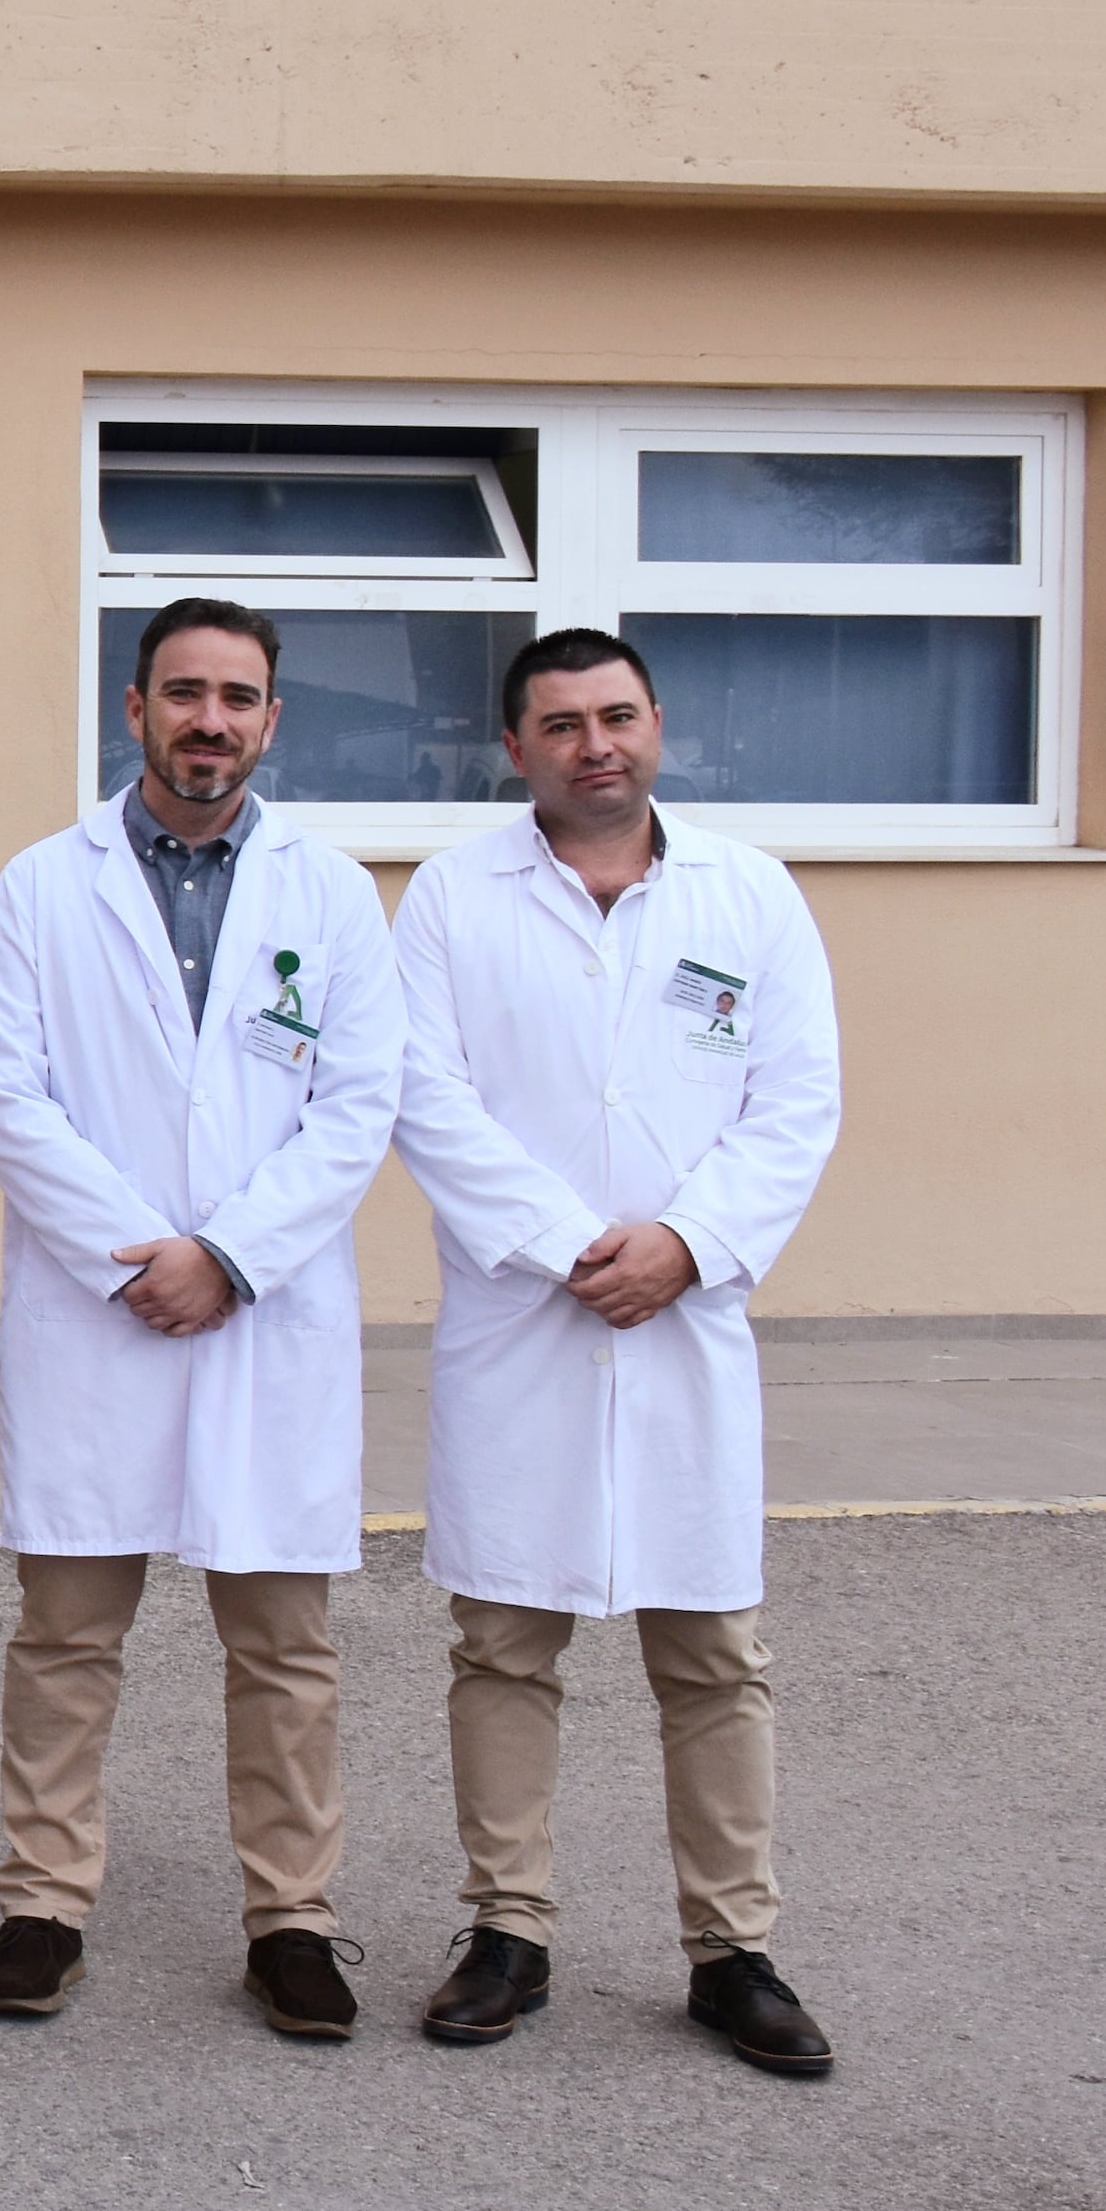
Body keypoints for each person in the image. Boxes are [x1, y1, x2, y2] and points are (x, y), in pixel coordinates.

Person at [392, 629, 847, 2076]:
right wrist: (567, 1243)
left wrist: (689, 1244)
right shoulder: (453, 899)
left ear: (658, 724)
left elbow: (797, 1101)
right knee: (503, 1643)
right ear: (514, 747)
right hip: (523, 1319)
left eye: (618, 716)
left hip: (686, 1320)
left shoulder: (748, 893)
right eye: (562, 724)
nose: (596, 745)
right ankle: (506, 1929)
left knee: (712, 1652)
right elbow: (426, 1095)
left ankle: (733, 1950)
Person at [0, 602, 398, 2042]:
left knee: (285, 1651)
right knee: (66, 1638)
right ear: (135, 706)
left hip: (264, 1313)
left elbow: (358, 1108)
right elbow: (6, 1095)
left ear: (272, 720)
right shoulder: (42, 885)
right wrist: (140, 1256)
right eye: (186, 692)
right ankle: (44, 1903)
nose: (212, 720)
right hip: (104, 1311)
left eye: (239, 697)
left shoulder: (331, 894)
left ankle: (293, 1921)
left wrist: (230, 1257)